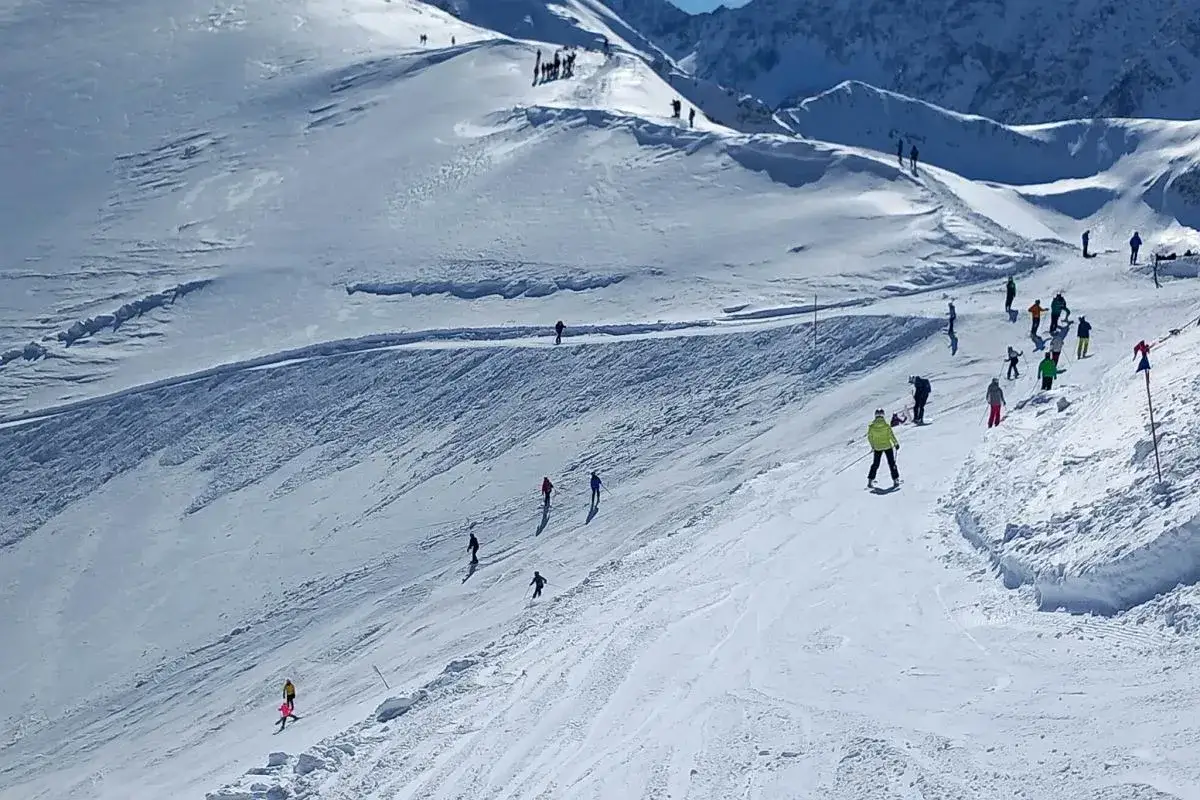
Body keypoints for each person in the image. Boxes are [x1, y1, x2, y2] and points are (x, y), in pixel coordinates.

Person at [866, 409, 900, 489]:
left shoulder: (872, 427)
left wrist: (873, 446)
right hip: (887, 446)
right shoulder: (886, 426)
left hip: (877, 448)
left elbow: (870, 437)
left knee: (875, 464)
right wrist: (896, 443)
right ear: (883, 415)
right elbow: (891, 435)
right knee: (891, 463)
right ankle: (895, 479)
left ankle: (870, 480)